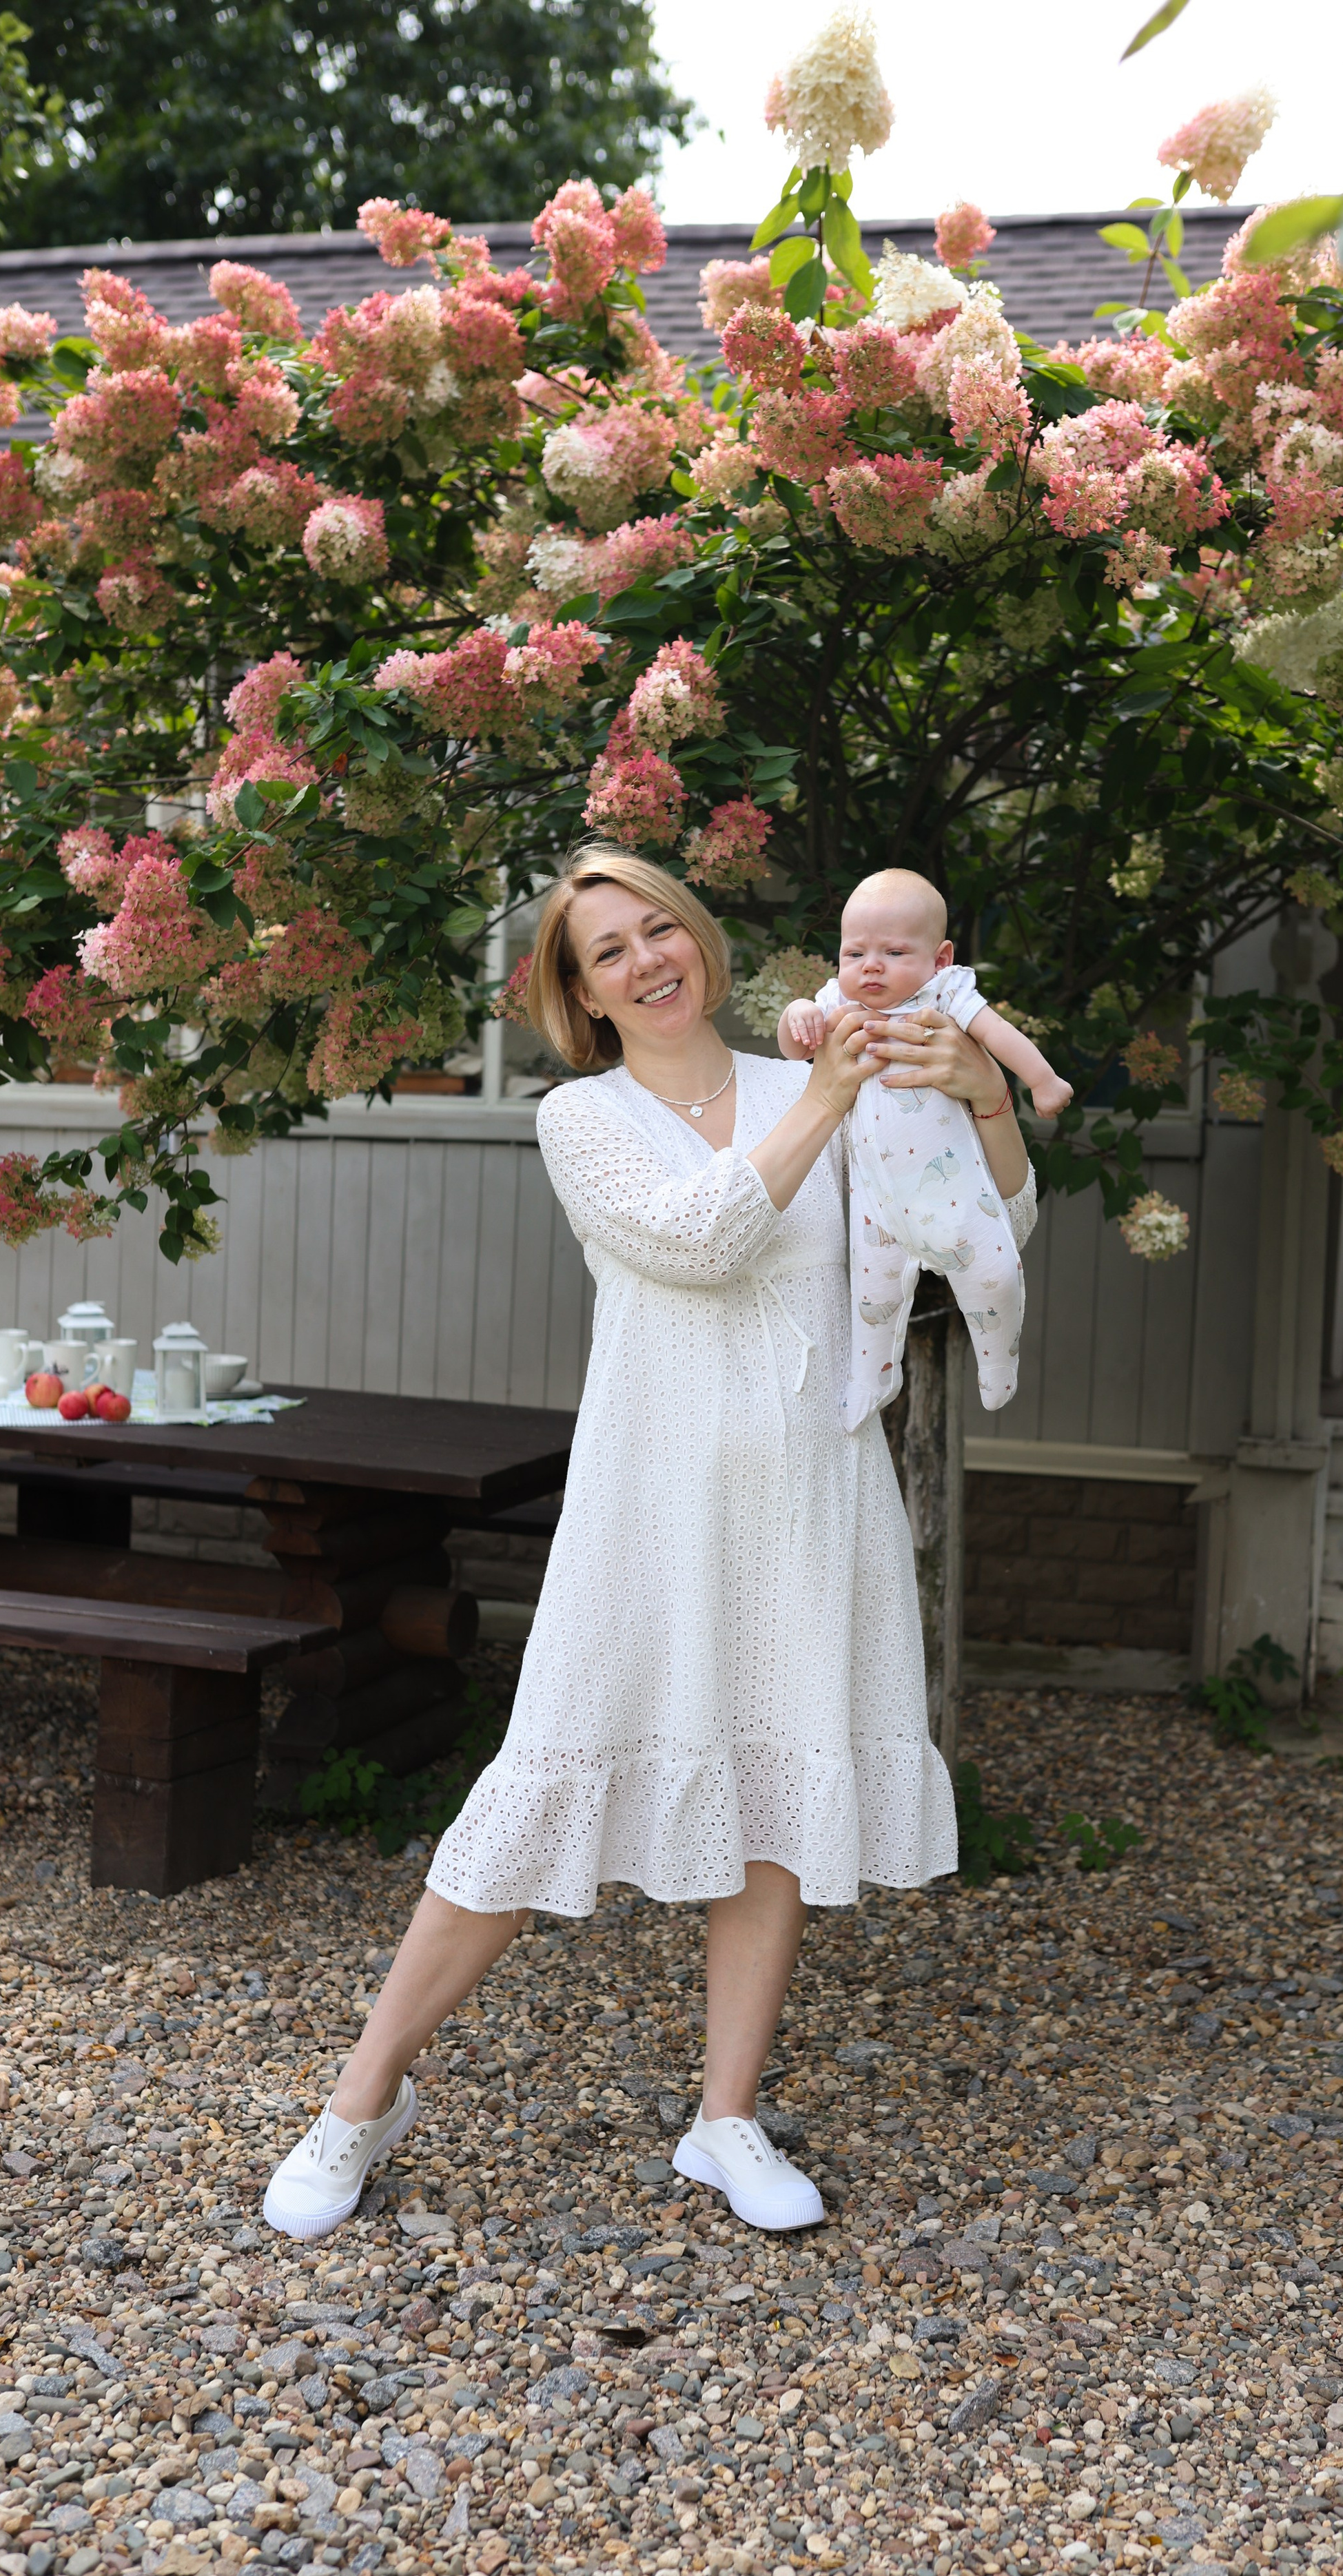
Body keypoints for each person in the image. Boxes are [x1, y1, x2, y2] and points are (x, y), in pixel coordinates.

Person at [262, 844, 1036, 2244]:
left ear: (698, 943)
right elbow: (699, 1239)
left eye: (658, 928)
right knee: (535, 1786)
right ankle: (359, 2102)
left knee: (771, 1811)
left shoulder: (820, 1074)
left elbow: (980, 1225)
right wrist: (821, 1099)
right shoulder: (586, 1119)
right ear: (583, 994)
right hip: (649, 1508)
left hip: (811, 1493)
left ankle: (723, 2119)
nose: (646, 959)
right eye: (607, 950)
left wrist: (986, 1108)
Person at [777, 867, 1067, 1430]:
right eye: (854, 952)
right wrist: (798, 1017)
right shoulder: (837, 999)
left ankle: (998, 1358)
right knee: (873, 1297)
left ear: (939, 958)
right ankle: (872, 1379)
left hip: (957, 1192)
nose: (871, 966)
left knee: (996, 1277)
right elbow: (794, 1051)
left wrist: (1042, 1079)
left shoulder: (947, 994)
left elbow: (1001, 1036)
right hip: (878, 1204)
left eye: (893, 951)